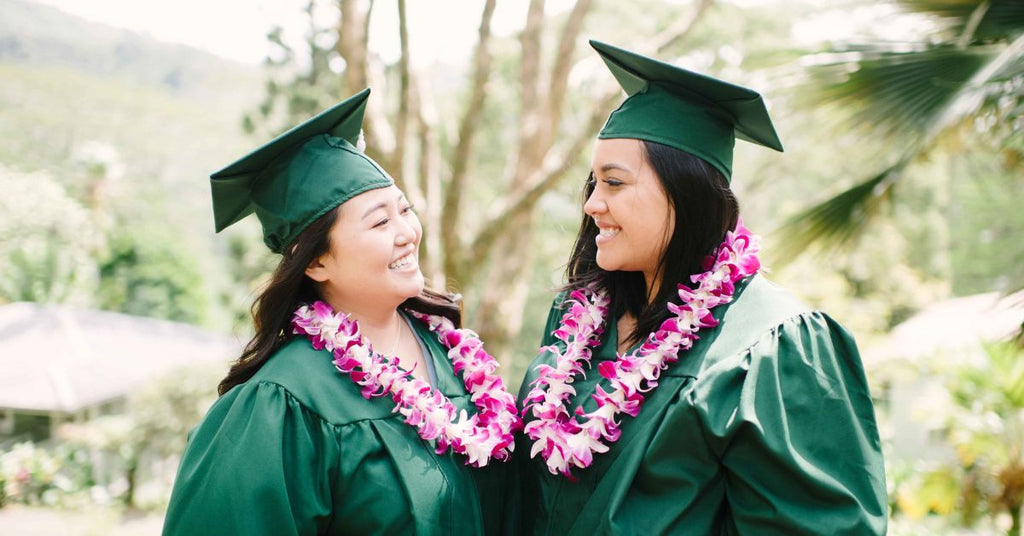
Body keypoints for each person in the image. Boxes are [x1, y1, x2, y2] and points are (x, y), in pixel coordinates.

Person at [515, 41, 887, 535]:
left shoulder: (773, 345)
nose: (592, 204)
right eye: (593, 184)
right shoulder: (576, 320)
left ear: (684, 192)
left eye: (615, 183)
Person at [163, 89, 519, 536]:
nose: (407, 232)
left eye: (404, 210)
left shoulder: (455, 359)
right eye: (379, 222)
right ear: (315, 261)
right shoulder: (283, 403)